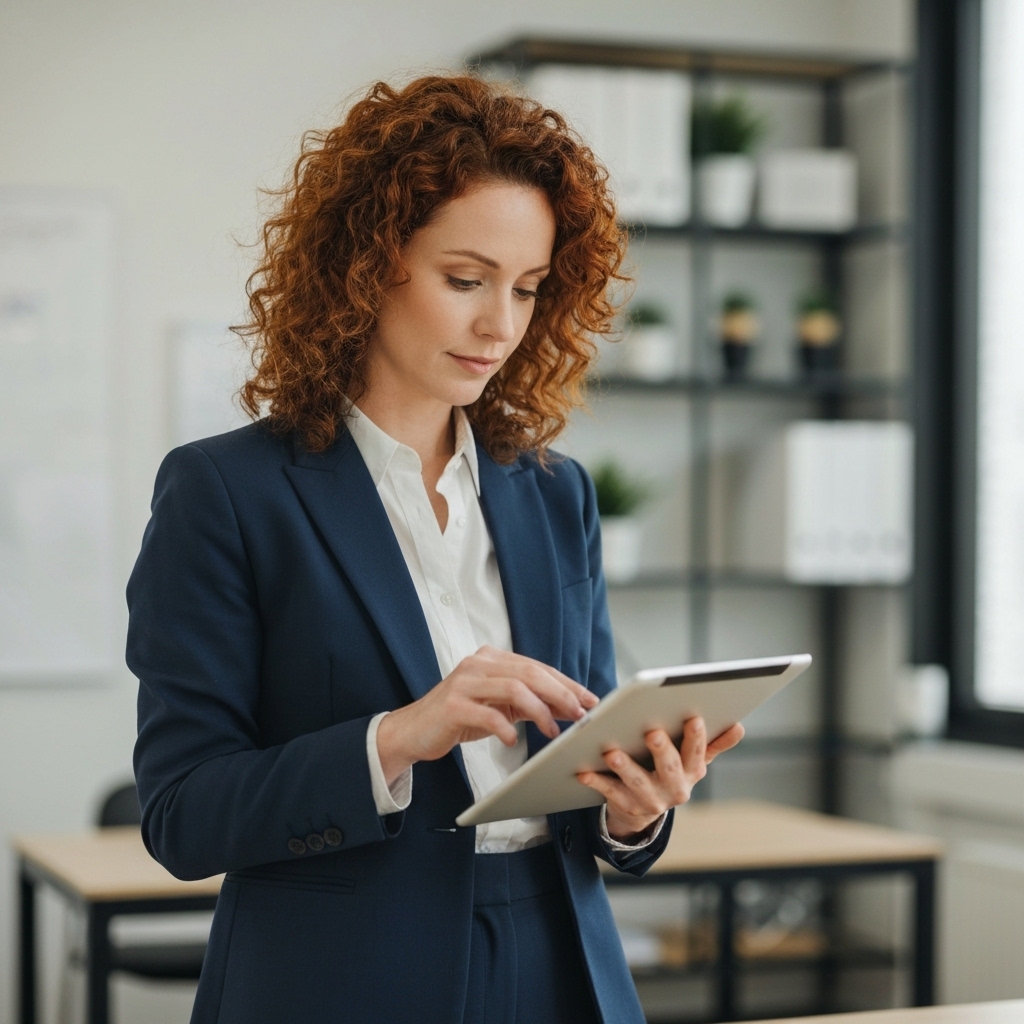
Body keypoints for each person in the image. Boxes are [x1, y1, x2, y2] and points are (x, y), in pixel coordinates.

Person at [128, 74, 743, 1024]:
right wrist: (402, 735)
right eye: (466, 280)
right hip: (340, 980)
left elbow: (580, 768)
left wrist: (634, 810)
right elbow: (182, 815)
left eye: (528, 288)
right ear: (369, 266)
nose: (501, 323)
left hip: (561, 964)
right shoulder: (228, 493)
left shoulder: (553, 492)